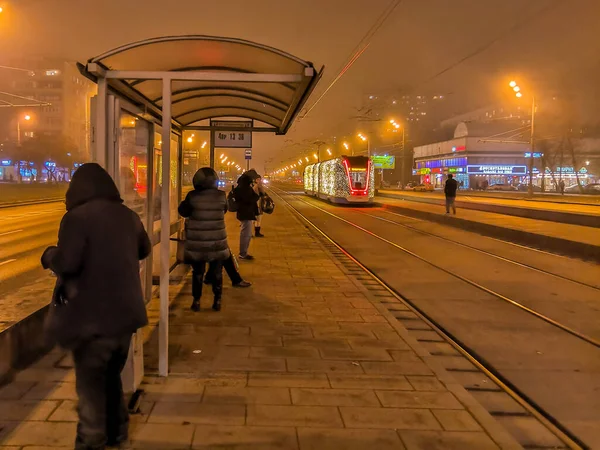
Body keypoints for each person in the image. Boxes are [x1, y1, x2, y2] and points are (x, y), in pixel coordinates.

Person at [41, 163, 151, 450]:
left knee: (90, 389)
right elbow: (145, 249)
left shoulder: (76, 218)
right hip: (124, 318)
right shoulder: (127, 215)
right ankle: (117, 435)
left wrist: (49, 254)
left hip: (91, 321)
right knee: (111, 377)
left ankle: (91, 442)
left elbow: (68, 263)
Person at [178, 167, 230, 312]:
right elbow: (225, 210)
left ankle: (196, 301)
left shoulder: (192, 196)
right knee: (217, 272)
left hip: (197, 243)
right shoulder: (221, 196)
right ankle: (217, 300)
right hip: (216, 242)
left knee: (198, 272)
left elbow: (183, 211)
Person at [233, 170, 260, 260]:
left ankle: (243, 252)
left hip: (244, 212)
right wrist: (256, 197)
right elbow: (249, 199)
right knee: (246, 234)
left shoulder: (242, 186)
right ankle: (243, 253)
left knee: (246, 233)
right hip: (246, 213)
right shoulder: (244, 188)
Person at [245, 169, 267, 238]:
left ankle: (255, 233)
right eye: (258, 179)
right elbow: (255, 192)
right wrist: (257, 185)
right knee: (254, 219)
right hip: (254, 203)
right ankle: (253, 233)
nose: (259, 180)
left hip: (254, 203)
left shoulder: (255, 184)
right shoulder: (253, 184)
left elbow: (263, 192)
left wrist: (259, 186)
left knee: (256, 218)